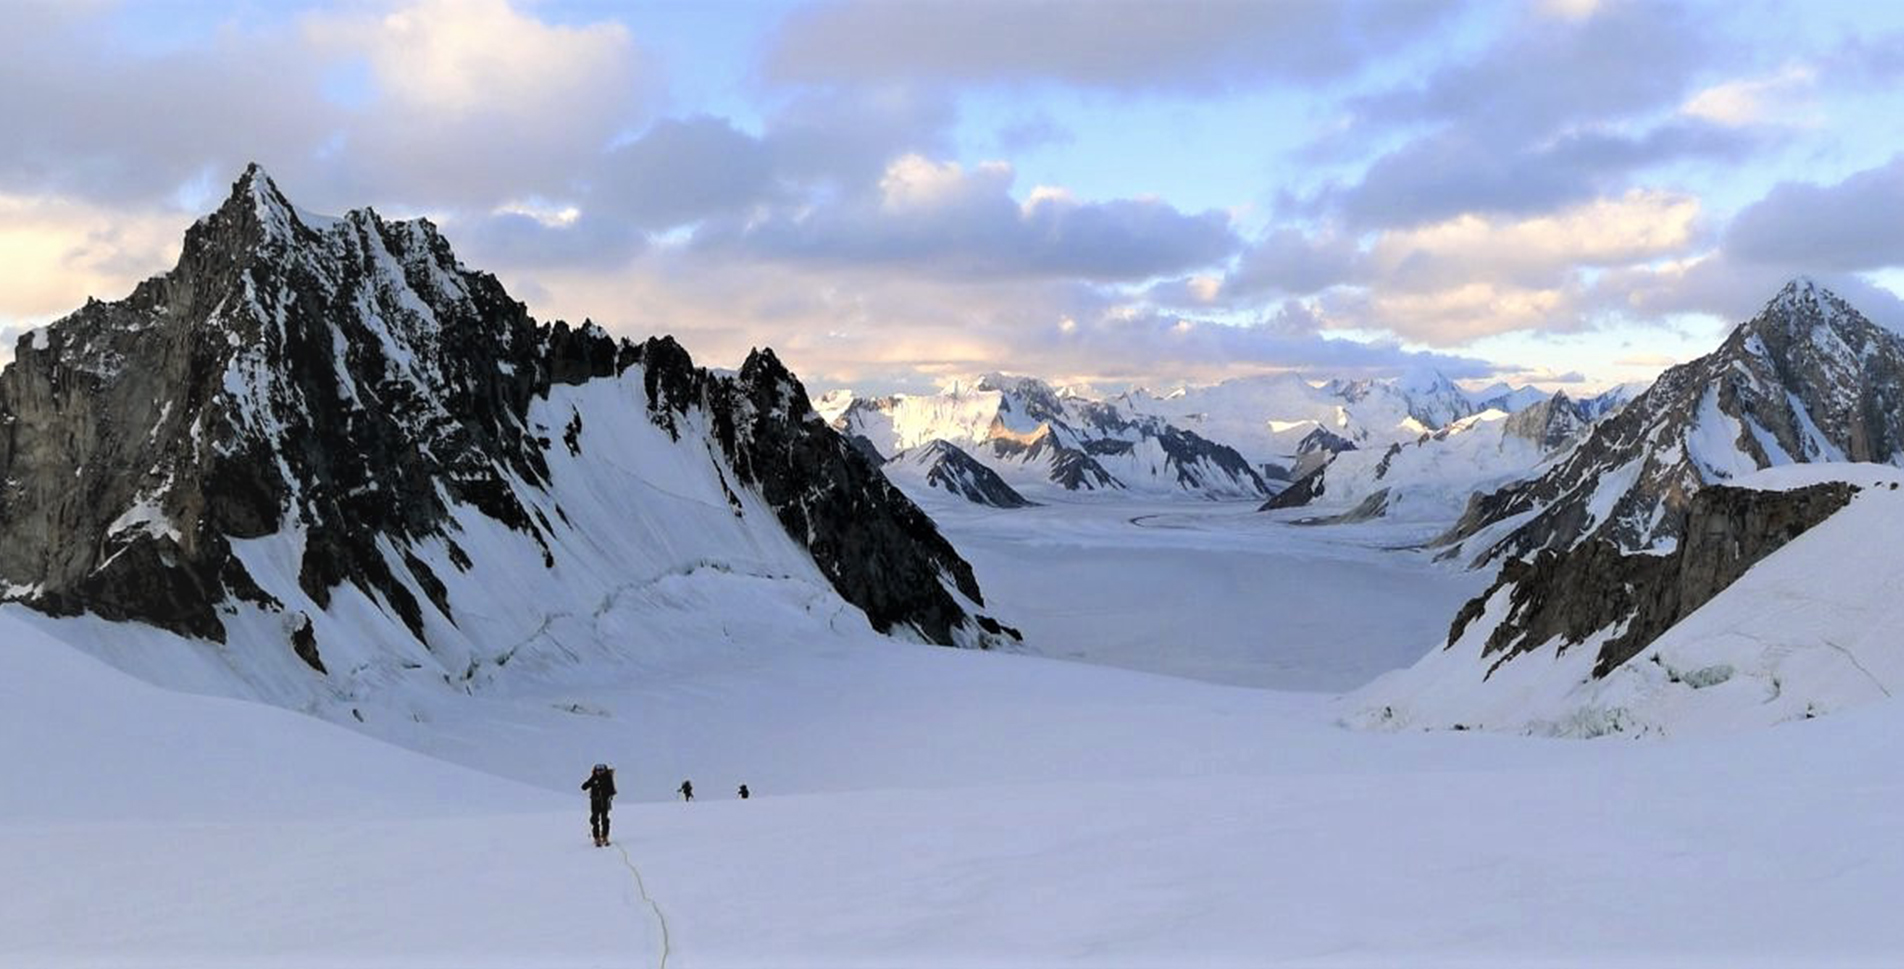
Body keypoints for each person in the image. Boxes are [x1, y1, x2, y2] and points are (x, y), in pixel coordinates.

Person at [582, 764, 616, 847]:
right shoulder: (593, 778)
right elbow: (584, 787)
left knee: (604, 819)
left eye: (601, 770)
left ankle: (605, 836)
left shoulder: (608, 778)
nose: (599, 772)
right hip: (595, 802)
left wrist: (606, 792)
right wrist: (589, 783)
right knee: (594, 819)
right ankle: (596, 837)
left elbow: (612, 791)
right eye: (598, 771)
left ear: (604, 771)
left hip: (604, 802)